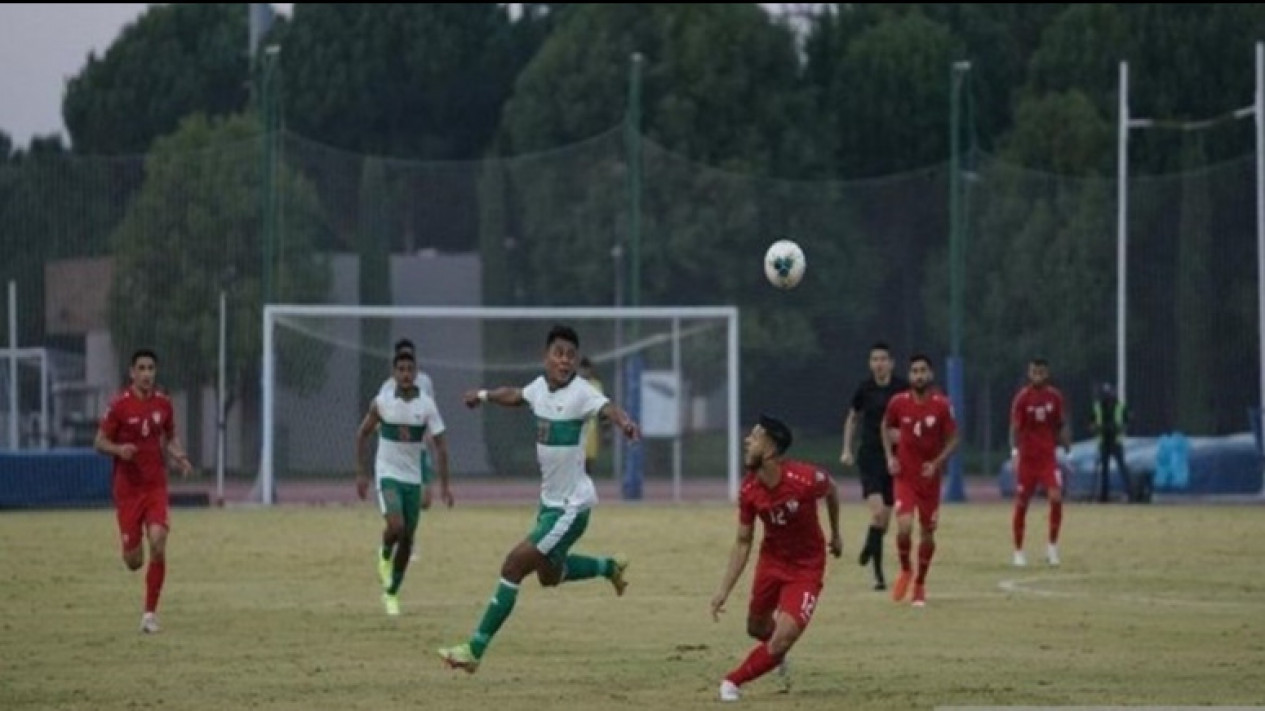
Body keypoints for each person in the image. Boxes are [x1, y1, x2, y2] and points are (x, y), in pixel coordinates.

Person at [438, 324, 640, 673]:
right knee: (549, 576)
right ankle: (610, 567)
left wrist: (624, 423)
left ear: (576, 362)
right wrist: (484, 395)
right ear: (546, 357)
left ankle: (474, 650)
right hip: (549, 505)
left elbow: (608, 408)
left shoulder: (581, 393)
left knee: (513, 565)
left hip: (570, 508)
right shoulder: (538, 389)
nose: (565, 361)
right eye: (558, 353)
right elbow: (514, 395)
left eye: (571, 356)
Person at [711, 415, 842, 702]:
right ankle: (775, 653)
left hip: (807, 567)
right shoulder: (748, 490)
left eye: (754, 437)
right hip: (772, 562)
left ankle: (732, 682)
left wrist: (836, 533)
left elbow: (831, 489)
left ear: (771, 448)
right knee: (756, 628)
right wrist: (724, 590)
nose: (747, 441)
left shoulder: (805, 479)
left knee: (782, 638)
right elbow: (743, 541)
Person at [93, 349, 194, 633]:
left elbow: (170, 436)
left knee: (159, 542)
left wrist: (178, 455)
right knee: (134, 561)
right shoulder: (118, 407)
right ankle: (128, 544)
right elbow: (99, 442)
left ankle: (149, 614)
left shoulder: (164, 403)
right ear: (132, 373)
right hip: (127, 490)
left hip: (155, 486)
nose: (147, 374)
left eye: (151, 368)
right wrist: (118, 449)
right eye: (142, 368)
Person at [356, 350, 453, 616]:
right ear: (394, 373)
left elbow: (441, 446)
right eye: (401, 369)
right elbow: (362, 434)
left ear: (417, 372)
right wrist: (361, 473)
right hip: (388, 473)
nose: (406, 374)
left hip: (413, 477)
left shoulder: (427, 406)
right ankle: (385, 551)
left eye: (410, 369)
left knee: (408, 540)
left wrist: (444, 486)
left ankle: (391, 593)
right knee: (396, 527)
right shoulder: (382, 403)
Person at [881, 354, 958, 607]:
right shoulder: (898, 403)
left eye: (923, 371)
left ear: (931, 374)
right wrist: (890, 457)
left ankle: (920, 583)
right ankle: (906, 569)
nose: (919, 375)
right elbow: (885, 427)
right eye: (914, 371)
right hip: (905, 476)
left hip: (929, 481)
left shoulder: (942, 405)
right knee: (903, 527)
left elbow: (954, 439)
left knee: (927, 533)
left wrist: (936, 464)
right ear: (910, 375)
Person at [840, 342, 907, 591]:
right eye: (874, 359)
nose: (879, 364)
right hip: (870, 457)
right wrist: (846, 448)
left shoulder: (902, 389)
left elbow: (910, 419)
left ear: (891, 363)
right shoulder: (864, 389)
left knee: (884, 523)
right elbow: (853, 418)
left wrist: (904, 437)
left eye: (883, 359)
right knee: (877, 514)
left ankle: (870, 545)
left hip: (895, 461)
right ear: (870, 363)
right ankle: (878, 576)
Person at [1009, 358, 1071, 567]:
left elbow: (1060, 423)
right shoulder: (1022, 399)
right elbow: (1015, 428)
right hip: (1027, 459)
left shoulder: (1055, 397)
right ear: (1029, 373)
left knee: (1056, 497)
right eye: (1034, 372)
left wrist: (1066, 443)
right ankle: (1018, 551)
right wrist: (1015, 451)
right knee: (1021, 503)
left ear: (1047, 374)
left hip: (1047, 459)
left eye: (1041, 372)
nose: (1038, 376)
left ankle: (1052, 548)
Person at [1091, 383, 1132, 502]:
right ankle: (1104, 496)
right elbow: (1091, 423)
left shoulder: (1120, 406)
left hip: (1115, 441)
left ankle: (1131, 493)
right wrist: (1097, 428)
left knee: (1122, 467)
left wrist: (1120, 428)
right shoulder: (1098, 407)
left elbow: (1127, 421)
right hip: (1104, 441)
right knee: (1104, 469)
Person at [578, 356, 605, 475]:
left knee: (587, 464)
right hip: (574, 429)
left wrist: (606, 429)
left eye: (587, 369)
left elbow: (602, 408)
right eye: (582, 369)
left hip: (590, 430)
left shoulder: (596, 385)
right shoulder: (573, 384)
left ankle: (584, 491)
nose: (585, 372)